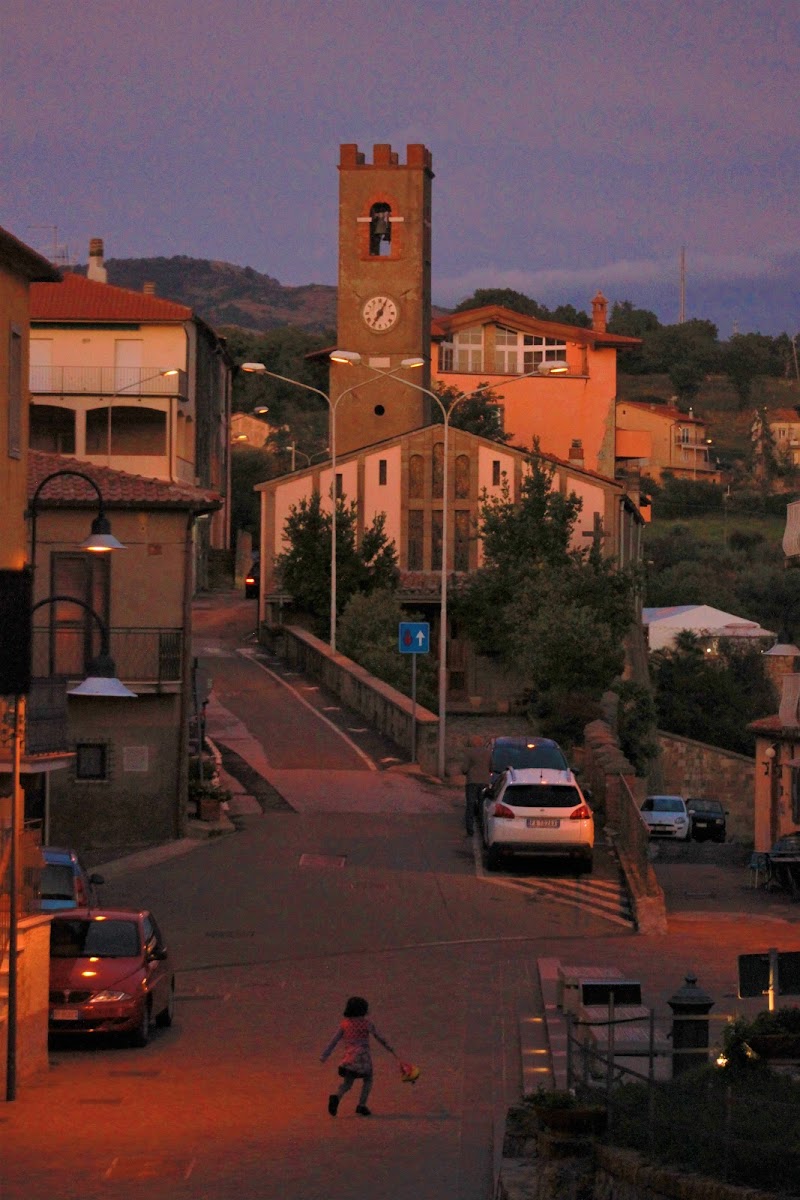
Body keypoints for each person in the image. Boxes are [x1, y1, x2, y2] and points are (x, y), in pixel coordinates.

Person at [320, 995, 396, 1117]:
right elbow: (379, 1037)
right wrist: (390, 1048)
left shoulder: (344, 1024)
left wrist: (324, 1055)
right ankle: (361, 1105)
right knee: (368, 1080)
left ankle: (336, 1096)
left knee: (347, 1084)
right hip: (363, 1058)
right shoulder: (366, 1024)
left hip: (349, 1059)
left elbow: (334, 1041)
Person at [460, 733, 492, 837]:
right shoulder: (488, 753)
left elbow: (464, 769)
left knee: (470, 804)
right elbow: (492, 766)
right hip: (484, 782)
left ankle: (470, 829)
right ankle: (483, 828)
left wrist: (466, 771)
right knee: (482, 805)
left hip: (472, 782)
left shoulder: (469, 753)